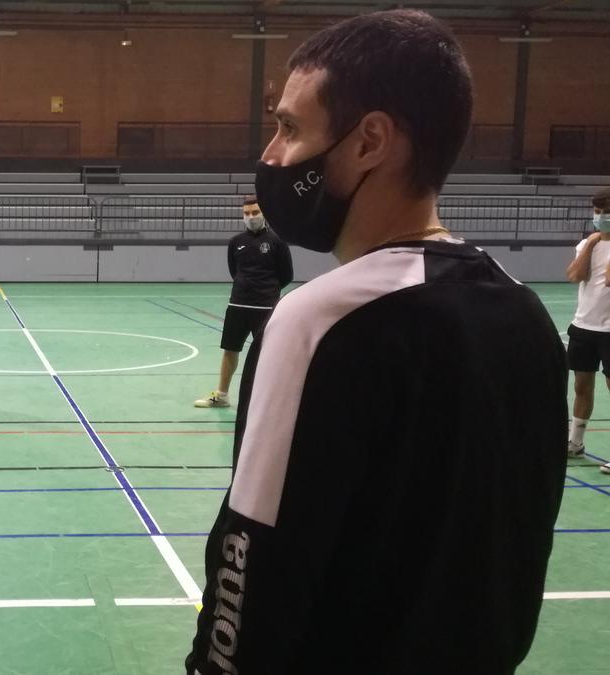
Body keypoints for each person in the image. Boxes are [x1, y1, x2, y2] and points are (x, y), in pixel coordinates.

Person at [186, 10, 568, 674]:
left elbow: (250, 566)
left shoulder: (319, 322)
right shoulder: (526, 315)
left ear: (370, 142)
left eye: (289, 127)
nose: (272, 157)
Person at [195, 196, 292, 408]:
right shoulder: (236, 242)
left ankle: (268, 401)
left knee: (266, 354)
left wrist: (266, 292)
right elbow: (234, 271)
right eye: (247, 213)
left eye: (255, 212)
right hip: (237, 305)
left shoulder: (277, 242)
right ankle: (221, 395)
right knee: (230, 350)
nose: (251, 217)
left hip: (265, 308)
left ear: (263, 212)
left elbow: (286, 275)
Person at [564, 186, 610, 476]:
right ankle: (575, 442)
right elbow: (574, 276)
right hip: (583, 326)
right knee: (581, 386)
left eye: (606, 212)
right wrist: (592, 244)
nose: (601, 216)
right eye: (597, 211)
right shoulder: (587, 244)